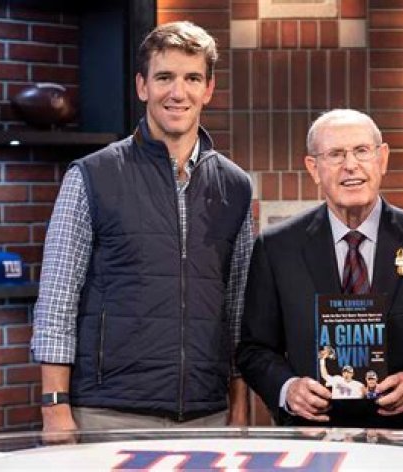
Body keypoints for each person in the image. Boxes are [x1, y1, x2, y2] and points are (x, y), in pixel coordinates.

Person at [31, 21, 253, 434]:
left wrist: (239, 408)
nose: (178, 92)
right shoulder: (92, 175)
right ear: (142, 86)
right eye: (164, 77)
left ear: (208, 89)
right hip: (108, 412)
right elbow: (57, 299)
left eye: (192, 79)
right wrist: (54, 406)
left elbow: (239, 308)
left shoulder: (235, 186)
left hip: (207, 415)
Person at [236, 109, 403, 430]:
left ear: (382, 159)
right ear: (313, 168)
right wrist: (287, 389)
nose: (350, 165)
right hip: (314, 438)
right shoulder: (276, 248)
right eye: (335, 154)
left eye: (361, 151)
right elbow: (254, 348)